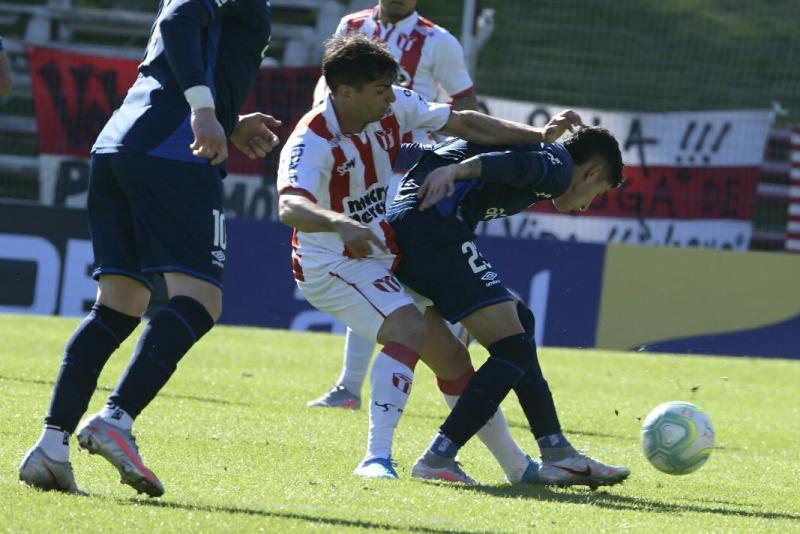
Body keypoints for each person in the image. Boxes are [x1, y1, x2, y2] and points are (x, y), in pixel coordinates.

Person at [277, 32, 582, 480]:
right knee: (408, 326)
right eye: (379, 90)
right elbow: (289, 207)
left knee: (454, 359)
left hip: (378, 248)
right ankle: (377, 458)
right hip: (330, 262)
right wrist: (339, 222)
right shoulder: (311, 142)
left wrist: (537, 135)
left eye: (389, 89)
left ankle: (517, 469)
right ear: (344, 92)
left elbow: (468, 124)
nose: (390, 99)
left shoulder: (394, 104)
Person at [19, 0, 279, 497]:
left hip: (123, 144)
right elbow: (179, 19)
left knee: (118, 307)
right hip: (173, 148)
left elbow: (183, 52)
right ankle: (115, 419)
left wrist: (228, 117)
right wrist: (205, 111)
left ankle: (52, 447)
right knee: (200, 301)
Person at [385, 127, 632, 487]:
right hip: (434, 234)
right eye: (598, 193)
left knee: (518, 325)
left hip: (412, 231)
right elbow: (512, 165)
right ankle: (440, 457)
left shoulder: (526, 147)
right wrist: (460, 171)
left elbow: (424, 153)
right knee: (513, 346)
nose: (586, 205)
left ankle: (556, 450)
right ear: (592, 172)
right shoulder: (558, 166)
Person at [308, 0, 478, 412]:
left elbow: (465, 102)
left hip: (410, 172)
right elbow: (326, 87)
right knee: (369, 269)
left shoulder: (439, 41)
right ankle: (351, 386)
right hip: (358, 163)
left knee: (374, 268)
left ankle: (459, 319)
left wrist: (459, 162)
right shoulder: (352, 24)